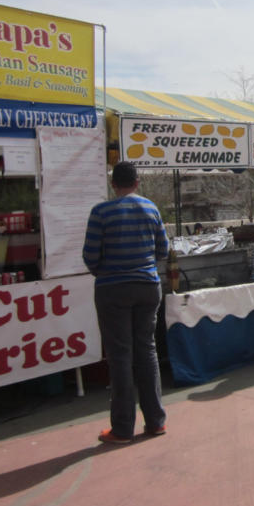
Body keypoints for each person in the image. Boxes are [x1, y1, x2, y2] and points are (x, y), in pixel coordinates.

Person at [82, 161, 170, 444]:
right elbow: (163, 250)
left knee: (120, 356)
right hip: (147, 286)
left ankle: (122, 428)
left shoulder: (101, 212)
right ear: (138, 182)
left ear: (113, 184)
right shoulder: (151, 208)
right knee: (147, 350)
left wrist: (107, 271)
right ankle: (156, 422)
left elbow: (90, 256)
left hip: (112, 288)